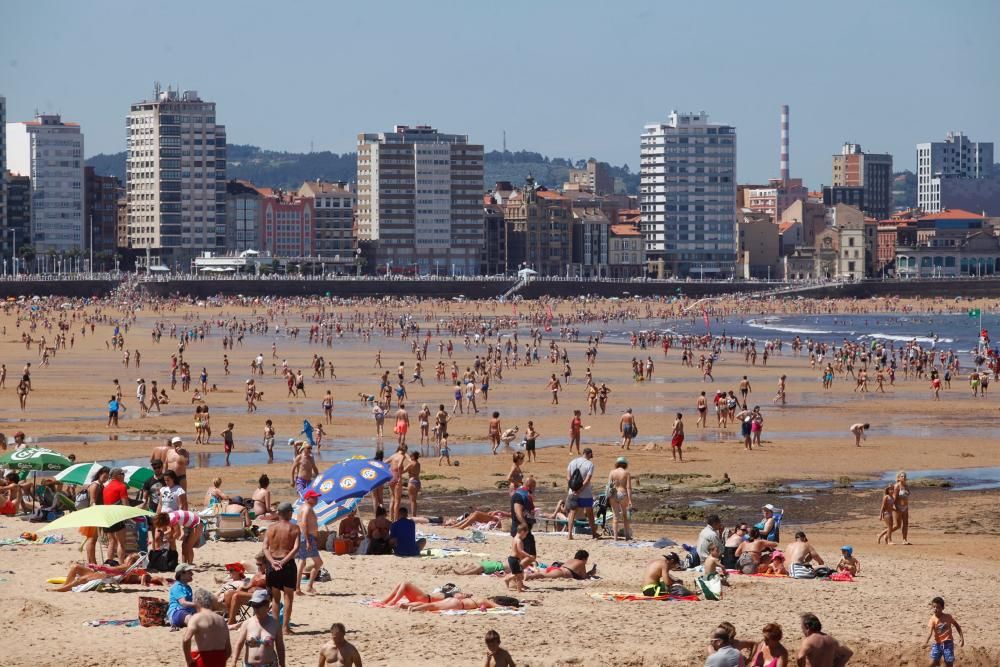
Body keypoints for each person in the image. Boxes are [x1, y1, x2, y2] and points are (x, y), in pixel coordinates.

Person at [263, 502, 300, 635]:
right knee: (288, 597)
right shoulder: (294, 528)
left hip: (273, 565)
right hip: (287, 564)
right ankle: (285, 628)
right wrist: (284, 561)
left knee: (275, 598)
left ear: (278, 513)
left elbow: (265, 548)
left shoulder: (270, 528)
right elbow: (295, 548)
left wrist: (273, 562)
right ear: (289, 513)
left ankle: (275, 628)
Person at [232, 589, 285, 667]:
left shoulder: (275, 624)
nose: (256, 608)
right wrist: (234, 662)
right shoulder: (247, 623)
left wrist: (282, 664)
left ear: (267, 604)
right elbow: (239, 644)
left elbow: (280, 647)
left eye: (259, 605)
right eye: (254, 605)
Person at [182, 588, 231, 667]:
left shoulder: (196, 618)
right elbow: (228, 650)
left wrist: (189, 659)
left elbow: (186, 639)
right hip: (220, 657)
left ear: (197, 602)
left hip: (201, 658)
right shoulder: (221, 619)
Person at [295, 489, 324, 595]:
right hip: (306, 537)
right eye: (314, 497)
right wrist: (308, 540)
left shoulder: (305, 507)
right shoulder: (307, 508)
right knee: (314, 562)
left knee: (303, 562)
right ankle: (302, 588)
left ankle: (306, 587)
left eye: (317, 497)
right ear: (307, 498)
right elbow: (303, 523)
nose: (317, 499)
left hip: (306, 536)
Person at [566, 448, 598, 540]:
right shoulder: (590, 464)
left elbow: (568, 477)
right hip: (585, 493)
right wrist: (579, 490)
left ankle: (569, 534)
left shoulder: (572, 462)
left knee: (572, 513)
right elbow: (587, 480)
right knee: (590, 513)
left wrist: (573, 489)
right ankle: (594, 534)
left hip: (572, 492)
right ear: (589, 454)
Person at [102, 467, 130, 564]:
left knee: (111, 542)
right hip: (117, 515)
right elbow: (126, 505)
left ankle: (110, 563)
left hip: (107, 515)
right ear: (116, 475)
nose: (124, 476)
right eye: (122, 474)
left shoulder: (106, 487)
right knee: (121, 543)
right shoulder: (121, 486)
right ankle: (122, 564)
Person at [924, 596, 964, 667]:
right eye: (934, 607)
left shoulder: (948, 617)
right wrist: (926, 642)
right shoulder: (932, 619)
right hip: (937, 644)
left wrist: (961, 638)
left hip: (948, 643)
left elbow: (957, 626)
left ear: (943, 608)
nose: (935, 609)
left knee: (949, 663)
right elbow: (929, 632)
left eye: (938, 607)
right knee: (932, 663)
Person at [524, 549, 594, 581]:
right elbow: (584, 576)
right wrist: (591, 572)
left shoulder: (571, 560)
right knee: (543, 575)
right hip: (561, 572)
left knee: (541, 573)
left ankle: (526, 574)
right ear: (584, 558)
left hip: (555, 568)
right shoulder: (581, 563)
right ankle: (529, 576)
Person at [607, 456, 633, 540]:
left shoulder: (612, 472)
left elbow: (609, 485)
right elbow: (628, 487)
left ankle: (615, 537)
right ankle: (627, 536)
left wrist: (607, 496)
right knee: (625, 515)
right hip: (623, 493)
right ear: (625, 464)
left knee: (615, 516)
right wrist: (630, 499)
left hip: (613, 493)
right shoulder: (626, 473)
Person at [504, 523, 533, 592]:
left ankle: (507, 579)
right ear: (522, 532)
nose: (525, 536)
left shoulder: (515, 538)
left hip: (513, 559)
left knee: (517, 574)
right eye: (525, 534)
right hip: (514, 559)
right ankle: (519, 589)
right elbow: (520, 550)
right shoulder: (519, 540)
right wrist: (528, 555)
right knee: (519, 576)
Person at [169, 563, 197, 628]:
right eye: (189, 572)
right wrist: (197, 604)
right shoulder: (177, 587)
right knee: (192, 620)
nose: (192, 574)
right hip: (177, 612)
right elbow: (183, 603)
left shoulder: (188, 587)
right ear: (182, 574)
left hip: (187, 612)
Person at [893, 470, 911, 545]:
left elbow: (908, 493)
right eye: (902, 476)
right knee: (897, 525)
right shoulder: (897, 486)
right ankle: (884, 534)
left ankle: (904, 539)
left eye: (904, 476)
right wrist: (894, 506)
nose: (903, 477)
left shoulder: (906, 486)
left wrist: (907, 492)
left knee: (906, 523)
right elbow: (894, 497)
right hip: (898, 507)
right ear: (899, 478)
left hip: (905, 507)